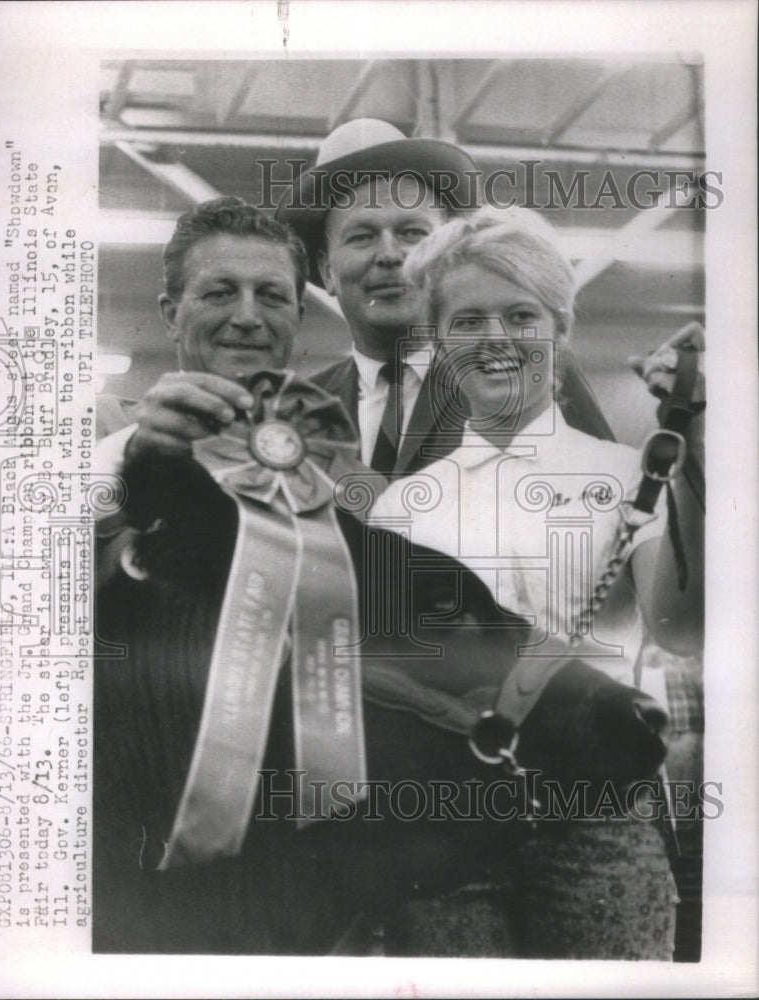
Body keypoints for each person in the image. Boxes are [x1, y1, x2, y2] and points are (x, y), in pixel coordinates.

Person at [367, 208, 706, 959]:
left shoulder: (629, 474)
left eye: (520, 315)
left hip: (599, 809)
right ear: (438, 340)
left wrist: (697, 456)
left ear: (560, 331)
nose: (495, 338)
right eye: (467, 319)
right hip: (441, 820)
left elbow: (684, 630)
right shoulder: (400, 505)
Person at [276, 118, 614, 479]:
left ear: (444, 253)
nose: (390, 255)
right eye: (361, 236)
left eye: (411, 232)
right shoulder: (296, 410)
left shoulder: (528, 367)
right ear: (327, 271)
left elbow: (607, 507)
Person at [96, 195, 308, 459]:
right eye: (220, 294)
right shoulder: (98, 439)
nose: (247, 317)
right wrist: (128, 449)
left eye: (272, 296)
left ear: (298, 317)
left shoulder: (335, 452)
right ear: (173, 317)